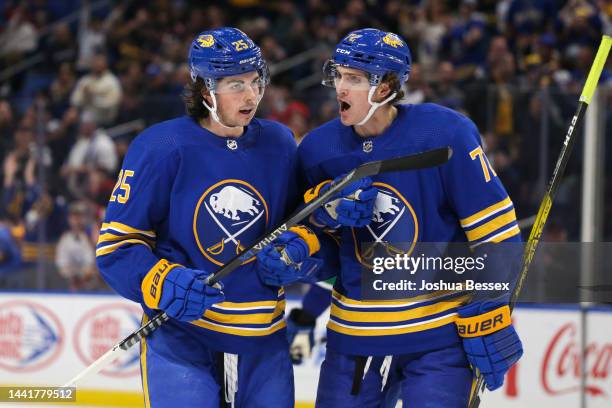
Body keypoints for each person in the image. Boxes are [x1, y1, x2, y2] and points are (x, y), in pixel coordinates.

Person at [96, 27, 322, 408]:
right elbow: (116, 248)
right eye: (236, 85)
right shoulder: (162, 146)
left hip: (263, 343)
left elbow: (306, 224)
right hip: (183, 338)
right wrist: (160, 281)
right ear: (204, 89)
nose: (251, 96)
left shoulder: (279, 143)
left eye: (256, 81)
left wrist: (300, 249)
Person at [297, 28, 523, 407]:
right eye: (338, 75)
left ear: (386, 86)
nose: (340, 88)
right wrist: (306, 242)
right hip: (355, 338)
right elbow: (323, 249)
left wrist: (490, 305)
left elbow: (495, 230)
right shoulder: (318, 150)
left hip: (439, 338)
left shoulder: (445, 132)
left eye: (353, 79)